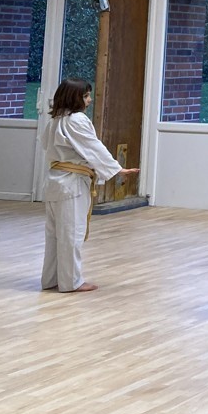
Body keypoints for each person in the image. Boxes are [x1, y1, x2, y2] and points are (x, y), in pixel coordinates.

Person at [40, 78, 139, 293]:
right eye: (86, 96)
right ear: (74, 98)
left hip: (56, 181)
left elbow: (46, 146)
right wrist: (116, 168)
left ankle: (51, 279)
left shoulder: (55, 120)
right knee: (71, 234)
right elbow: (93, 147)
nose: (90, 100)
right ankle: (71, 282)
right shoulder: (76, 120)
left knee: (55, 234)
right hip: (72, 184)